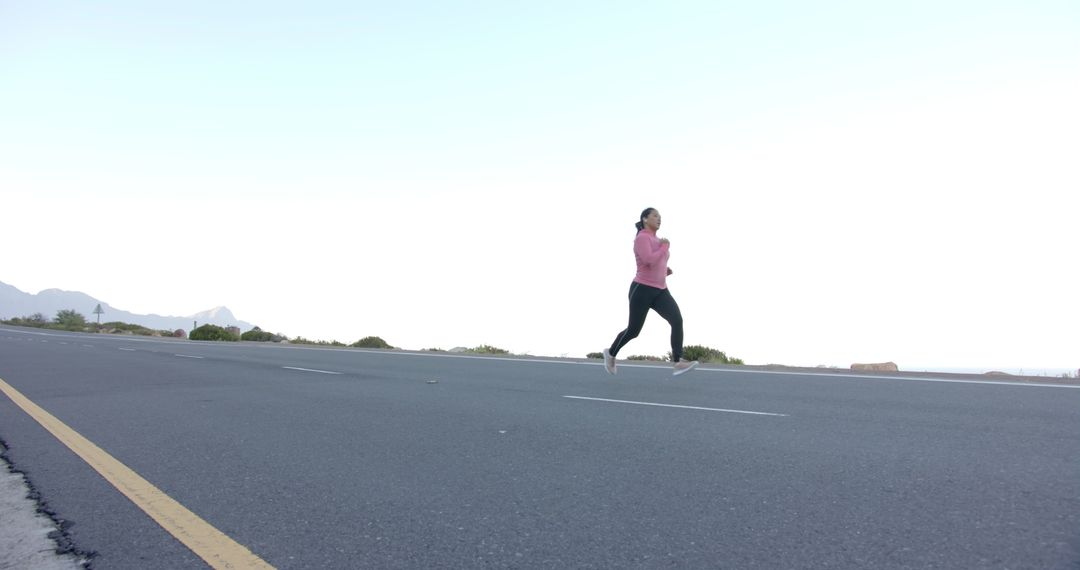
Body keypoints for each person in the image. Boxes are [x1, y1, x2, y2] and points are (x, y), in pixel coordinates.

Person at [603, 208, 700, 377]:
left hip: (661, 290)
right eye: (655, 215)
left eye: (660, 216)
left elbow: (656, 262)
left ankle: (678, 361)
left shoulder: (657, 239)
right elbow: (648, 260)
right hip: (642, 289)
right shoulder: (642, 238)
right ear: (645, 219)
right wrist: (664, 247)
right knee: (633, 331)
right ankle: (610, 354)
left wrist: (664, 270)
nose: (659, 218)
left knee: (677, 320)